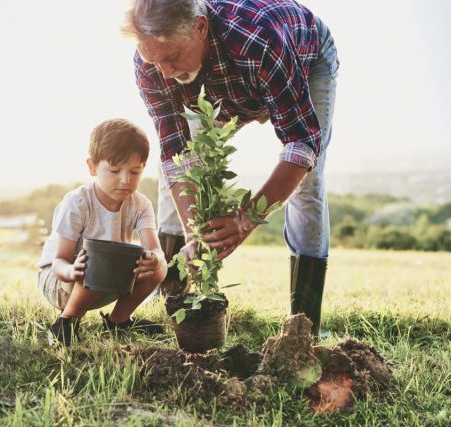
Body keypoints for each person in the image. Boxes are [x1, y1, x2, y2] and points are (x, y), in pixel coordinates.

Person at [122, 0, 339, 337]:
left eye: (171, 57)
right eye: (154, 60)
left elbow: (301, 143)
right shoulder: (152, 63)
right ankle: (171, 299)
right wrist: (196, 234)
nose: (163, 72)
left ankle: (304, 326)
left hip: (301, 60)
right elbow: (176, 153)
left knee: (308, 183)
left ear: (200, 28)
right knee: (181, 171)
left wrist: (245, 219)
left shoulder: (259, 39)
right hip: (224, 83)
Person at [36, 118, 167, 346]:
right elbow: (59, 262)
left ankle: (118, 321)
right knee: (101, 259)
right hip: (61, 282)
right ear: (92, 167)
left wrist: (154, 259)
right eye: (115, 170)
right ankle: (65, 322)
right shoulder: (77, 202)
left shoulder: (140, 204)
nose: (125, 180)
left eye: (135, 172)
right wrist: (72, 271)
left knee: (159, 265)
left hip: (106, 279)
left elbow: (155, 249)